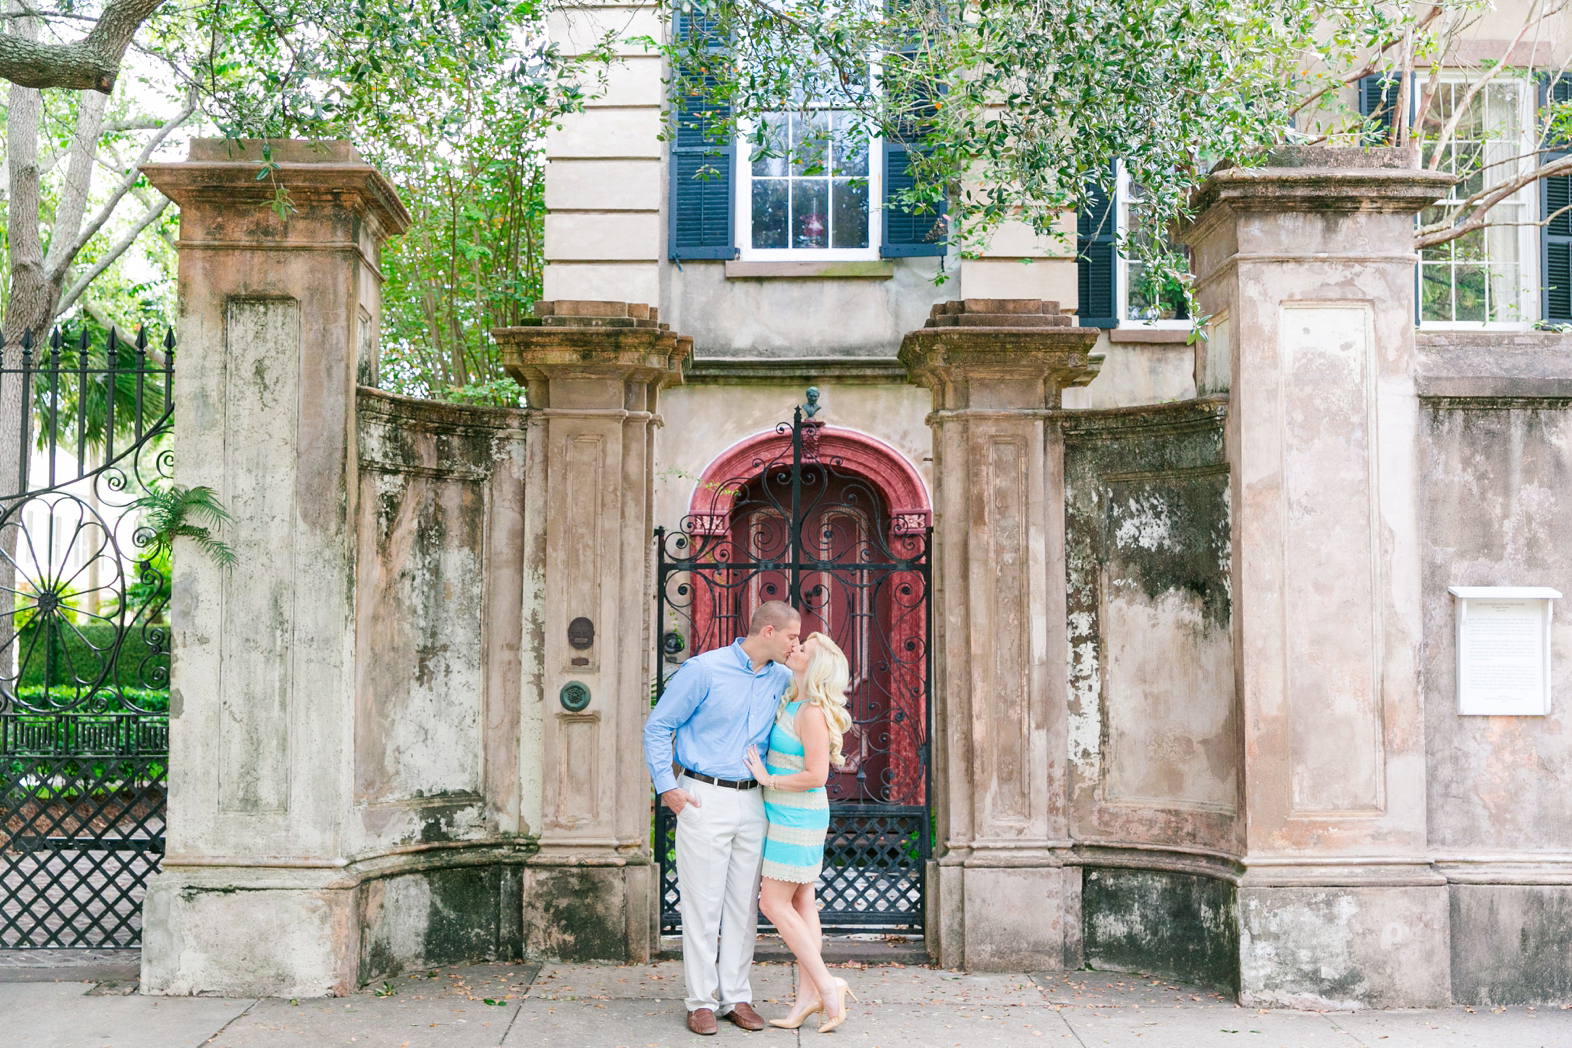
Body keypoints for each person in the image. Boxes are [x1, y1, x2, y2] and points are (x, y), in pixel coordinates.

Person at [643, 601, 801, 1036]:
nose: (796, 645)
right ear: (767, 632)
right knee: (702, 904)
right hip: (702, 796)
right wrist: (668, 788)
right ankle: (700, 1001)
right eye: (792, 637)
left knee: (742, 906)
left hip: (755, 802)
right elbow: (658, 727)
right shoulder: (703, 670)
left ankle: (737, 997)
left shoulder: (783, 678)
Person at [742, 631, 859, 1033]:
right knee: (804, 903)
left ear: (816, 665)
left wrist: (767, 778)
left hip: (798, 818)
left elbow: (816, 776)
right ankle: (807, 998)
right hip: (787, 815)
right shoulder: (792, 699)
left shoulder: (811, 712)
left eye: (803, 648)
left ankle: (828, 986)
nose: (795, 648)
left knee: (773, 904)